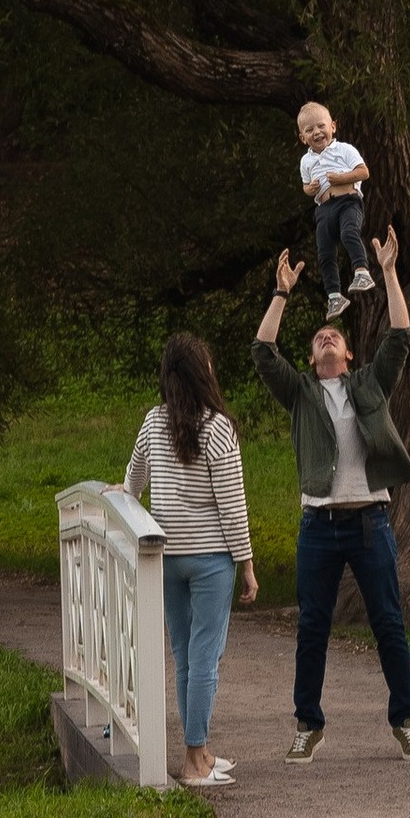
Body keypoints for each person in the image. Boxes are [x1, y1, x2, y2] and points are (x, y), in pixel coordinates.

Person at [251, 225, 410, 765]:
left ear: (349, 354)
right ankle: (308, 724)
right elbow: (262, 351)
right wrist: (280, 293)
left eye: (334, 337)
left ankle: (406, 722)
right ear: (310, 359)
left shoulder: (370, 383)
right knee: (312, 628)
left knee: (389, 624)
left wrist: (391, 274)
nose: (326, 338)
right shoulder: (301, 394)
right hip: (319, 527)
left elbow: (400, 336)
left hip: (371, 521)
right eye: (318, 339)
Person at [124, 332, 258, 786]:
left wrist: (122, 497)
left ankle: (200, 751)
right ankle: (194, 759)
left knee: (184, 656)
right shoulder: (219, 428)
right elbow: (231, 504)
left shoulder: (152, 422)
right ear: (205, 374)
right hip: (210, 560)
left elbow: (133, 480)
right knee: (206, 658)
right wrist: (249, 564)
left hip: (166, 556)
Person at [295, 100, 375, 317]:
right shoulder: (306, 161)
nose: (317, 132)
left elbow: (363, 172)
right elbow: (305, 186)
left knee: (349, 233)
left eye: (321, 126)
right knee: (325, 252)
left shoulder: (344, 149)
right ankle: (334, 297)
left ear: (333, 126)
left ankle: (362, 271)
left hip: (348, 201)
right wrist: (310, 189)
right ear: (303, 138)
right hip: (323, 209)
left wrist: (341, 178)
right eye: (310, 130)